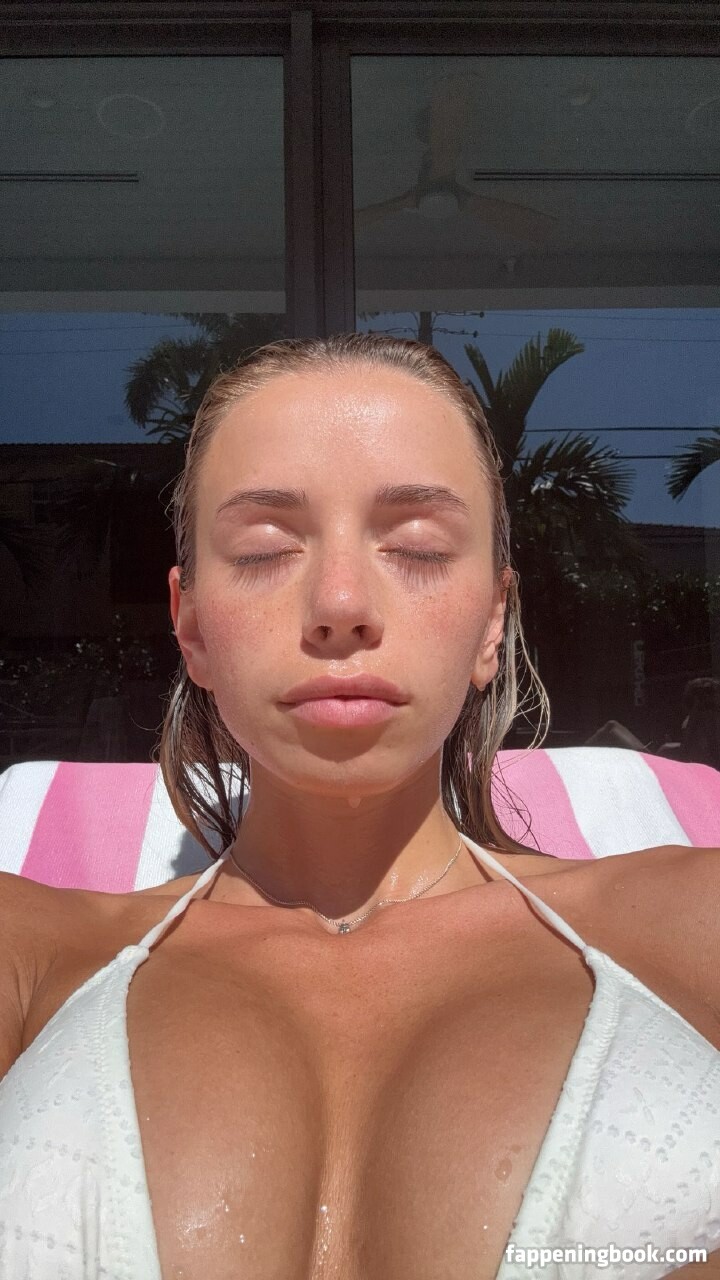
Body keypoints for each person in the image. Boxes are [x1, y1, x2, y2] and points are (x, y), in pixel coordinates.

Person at [0, 333, 718, 1280]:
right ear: (191, 627)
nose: (340, 602)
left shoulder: (687, 924)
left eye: (418, 546)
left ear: (492, 622)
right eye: (264, 549)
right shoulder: (32, 949)